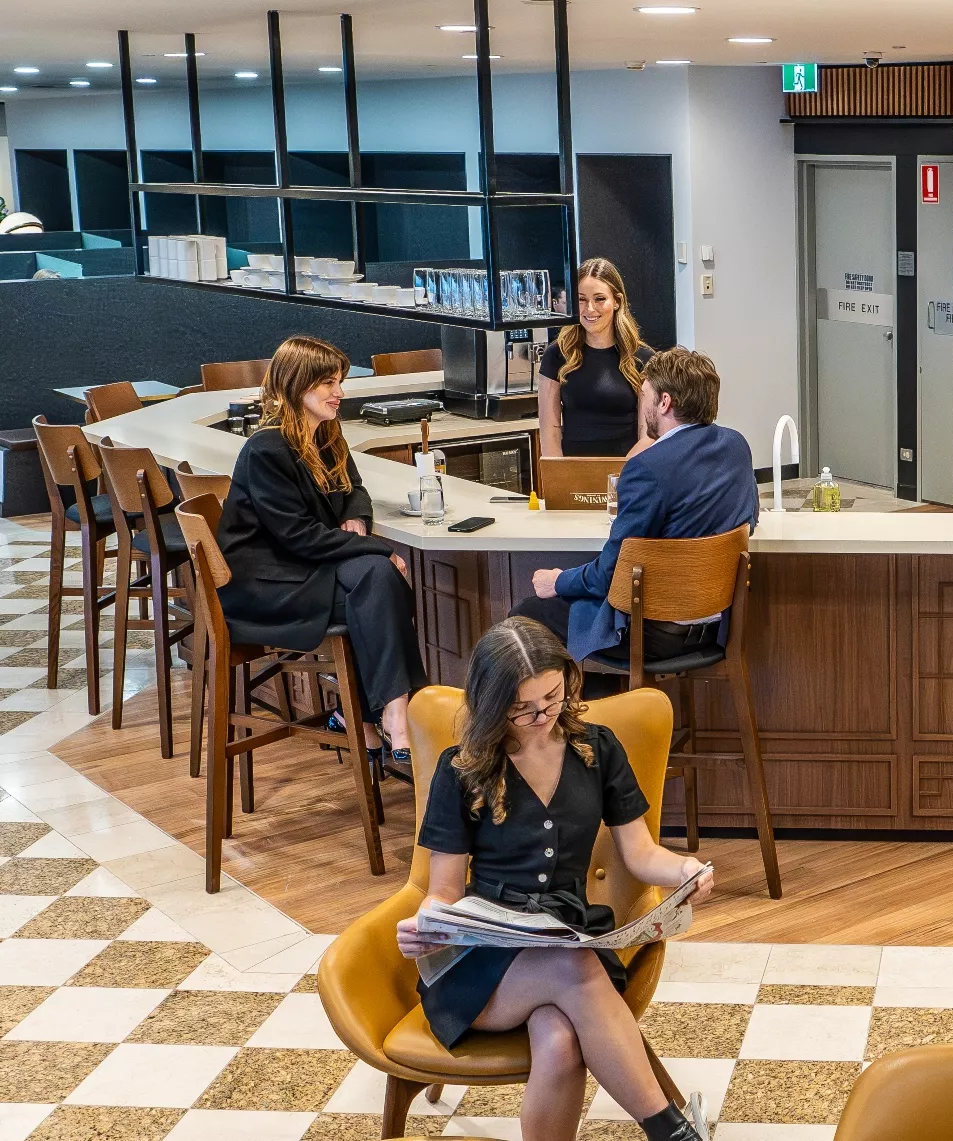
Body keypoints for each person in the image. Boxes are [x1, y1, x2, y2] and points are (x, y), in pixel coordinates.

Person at [397, 617, 713, 1141]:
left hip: (568, 934)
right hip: (482, 964)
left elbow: (639, 852)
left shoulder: (598, 749)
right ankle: (674, 1134)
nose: (543, 714)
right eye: (523, 707)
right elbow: (444, 892)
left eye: (552, 696)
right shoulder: (463, 768)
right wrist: (426, 925)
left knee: (560, 1038)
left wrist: (685, 870)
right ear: (492, 702)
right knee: (575, 969)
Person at [216, 335, 427, 765]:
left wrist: (357, 519)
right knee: (379, 575)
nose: (340, 393)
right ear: (297, 385)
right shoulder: (265, 449)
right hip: (269, 580)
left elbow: (356, 490)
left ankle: (383, 714)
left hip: (309, 565)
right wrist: (376, 547)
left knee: (377, 577)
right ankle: (388, 714)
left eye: (340, 382)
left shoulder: (326, 434)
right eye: (329, 383)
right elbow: (298, 535)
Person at [513, 346, 759, 663]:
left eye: (644, 395)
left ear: (665, 402)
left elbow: (610, 574)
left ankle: (564, 710)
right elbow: (749, 518)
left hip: (653, 632)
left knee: (525, 616)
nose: (642, 405)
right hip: (715, 626)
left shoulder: (647, 468)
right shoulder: (736, 445)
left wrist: (558, 580)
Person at [538, 258, 655, 458]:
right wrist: (558, 480)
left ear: (617, 301)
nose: (590, 309)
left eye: (599, 299)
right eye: (581, 299)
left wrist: (620, 476)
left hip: (627, 472)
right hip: (573, 472)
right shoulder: (556, 355)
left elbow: (648, 435)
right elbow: (550, 432)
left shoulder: (643, 358)